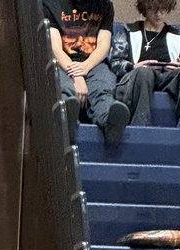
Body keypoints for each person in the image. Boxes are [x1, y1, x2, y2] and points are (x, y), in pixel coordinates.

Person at [109, 0, 180, 129]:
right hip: (138, 78)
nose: (158, 14)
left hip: (169, 77)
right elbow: (115, 62)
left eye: (163, 9)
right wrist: (134, 66)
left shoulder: (178, 35)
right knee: (144, 73)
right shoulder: (128, 30)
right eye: (153, 9)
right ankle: (140, 127)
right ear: (145, 9)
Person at [43, 0, 130, 146]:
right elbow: (55, 48)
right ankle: (66, 124)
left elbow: (104, 45)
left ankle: (110, 124)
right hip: (63, 62)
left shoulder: (104, 5)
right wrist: (76, 75)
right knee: (65, 88)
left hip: (94, 63)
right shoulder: (51, 4)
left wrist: (85, 67)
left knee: (102, 88)